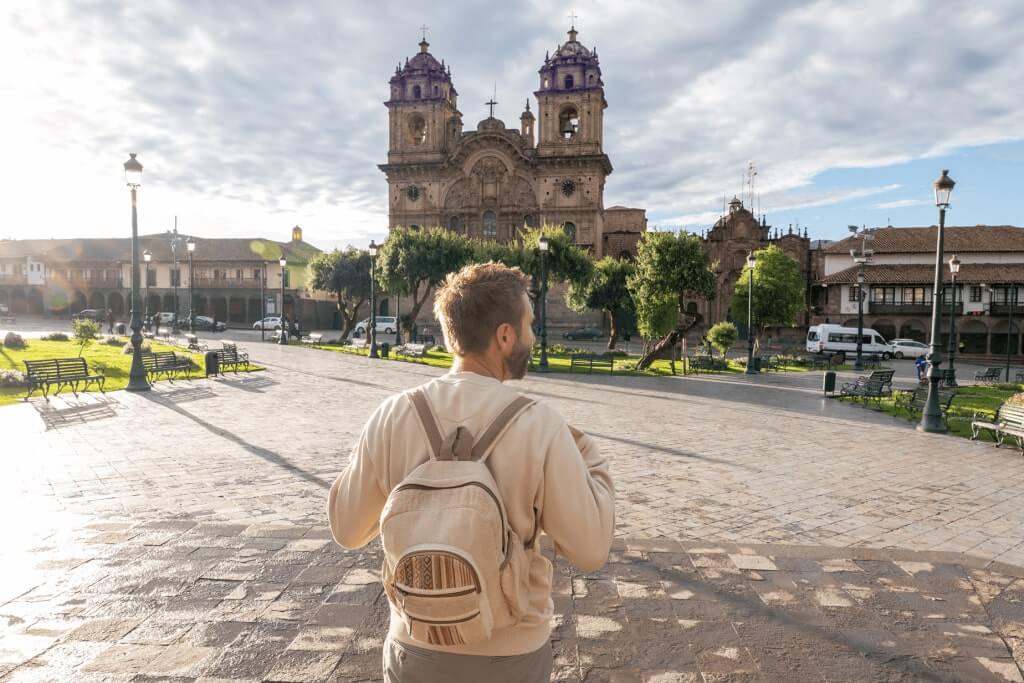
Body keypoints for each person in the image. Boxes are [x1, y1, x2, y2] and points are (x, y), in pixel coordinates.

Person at [328, 262, 615, 682]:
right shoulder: (540, 424)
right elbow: (591, 549)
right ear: (505, 336)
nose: (533, 337)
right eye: (530, 325)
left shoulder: (392, 415)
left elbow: (346, 529)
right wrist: (590, 458)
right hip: (511, 655)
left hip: (415, 649)